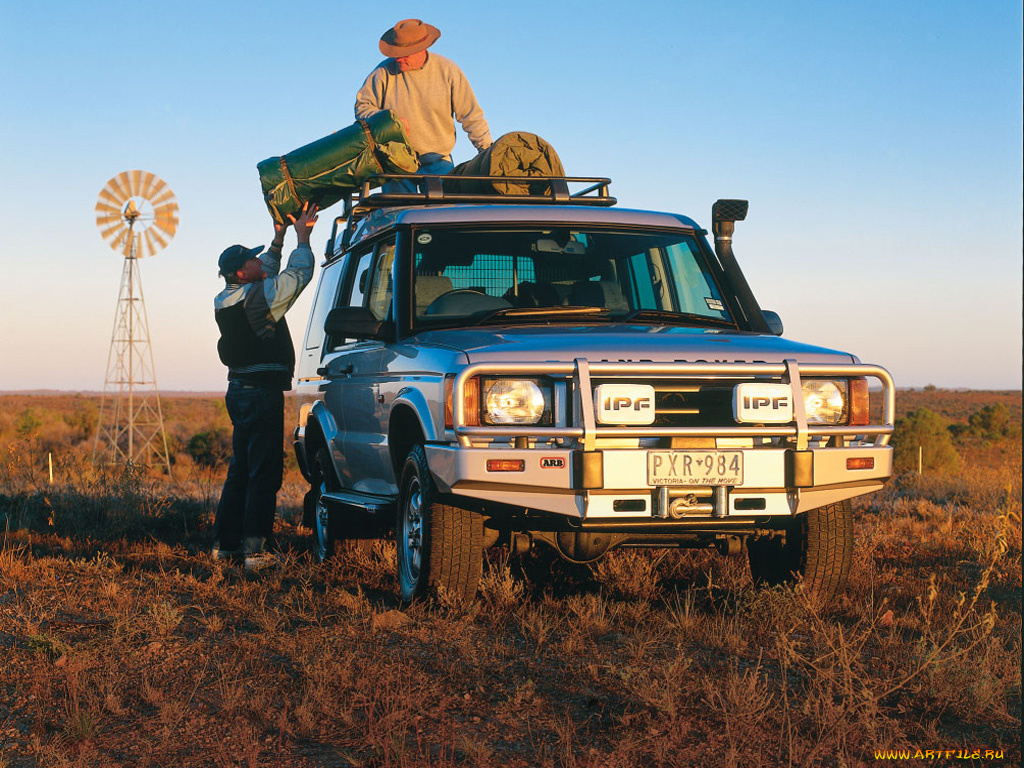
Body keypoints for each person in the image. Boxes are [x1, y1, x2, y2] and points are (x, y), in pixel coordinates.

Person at [211, 203, 318, 571]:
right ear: (243, 272)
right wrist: (302, 238)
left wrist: (278, 238)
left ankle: (226, 546)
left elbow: (266, 276)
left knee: (241, 468)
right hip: (260, 395)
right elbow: (297, 275)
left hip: (239, 391)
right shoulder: (259, 299)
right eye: (254, 261)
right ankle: (257, 552)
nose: (261, 263)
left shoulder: (227, 298)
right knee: (265, 472)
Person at [355, 18, 491, 193]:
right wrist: (389, 122)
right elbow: (362, 107)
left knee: (442, 216)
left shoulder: (448, 70)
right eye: (395, 53)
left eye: (404, 54)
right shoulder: (382, 73)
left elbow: (471, 116)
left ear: (422, 49)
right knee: (397, 214)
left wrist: (487, 152)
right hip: (396, 161)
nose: (398, 59)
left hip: (439, 161)